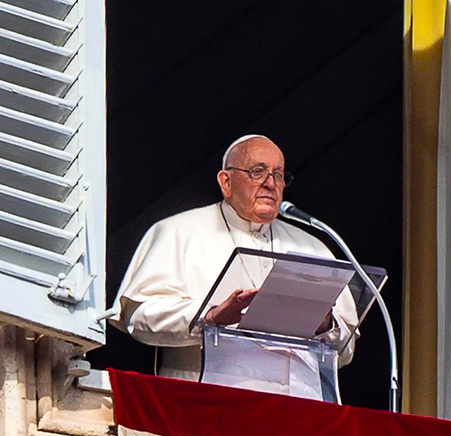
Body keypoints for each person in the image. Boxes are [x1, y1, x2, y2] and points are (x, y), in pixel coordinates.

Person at [108, 135, 358, 397]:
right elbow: (138, 318)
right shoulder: (178, 232)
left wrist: (325, 326)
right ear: (226, 182)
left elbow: (346, 350)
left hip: (300, 413)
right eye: (257, 171)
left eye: (279, 175)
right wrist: (210, 317)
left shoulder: (312, 248)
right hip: (206, 408)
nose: (270, 184)